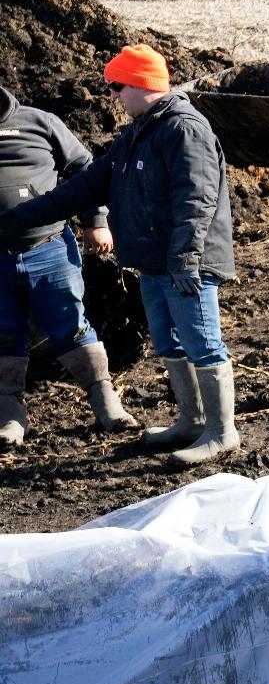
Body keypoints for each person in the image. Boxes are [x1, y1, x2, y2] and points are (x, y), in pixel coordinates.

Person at [0, 43, 241, 466]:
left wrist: (186, 259)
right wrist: (15, 220)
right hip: (154, 262)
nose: (111, 96)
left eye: (116, 86)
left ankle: (222, 433)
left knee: (203, 342)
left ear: (141, 84)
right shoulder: (137, 134)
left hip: (187, 263)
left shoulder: (183, 130)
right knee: (168, 341)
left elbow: (197, 199)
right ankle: (191, 420)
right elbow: (83, 186)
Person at [0, 82, 135, 445]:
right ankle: (10, 414)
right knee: (4, 333)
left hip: (48, 247)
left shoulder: (39, 123)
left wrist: (97, 222)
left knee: (71, 324)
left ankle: (106, 402)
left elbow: (85, 170)